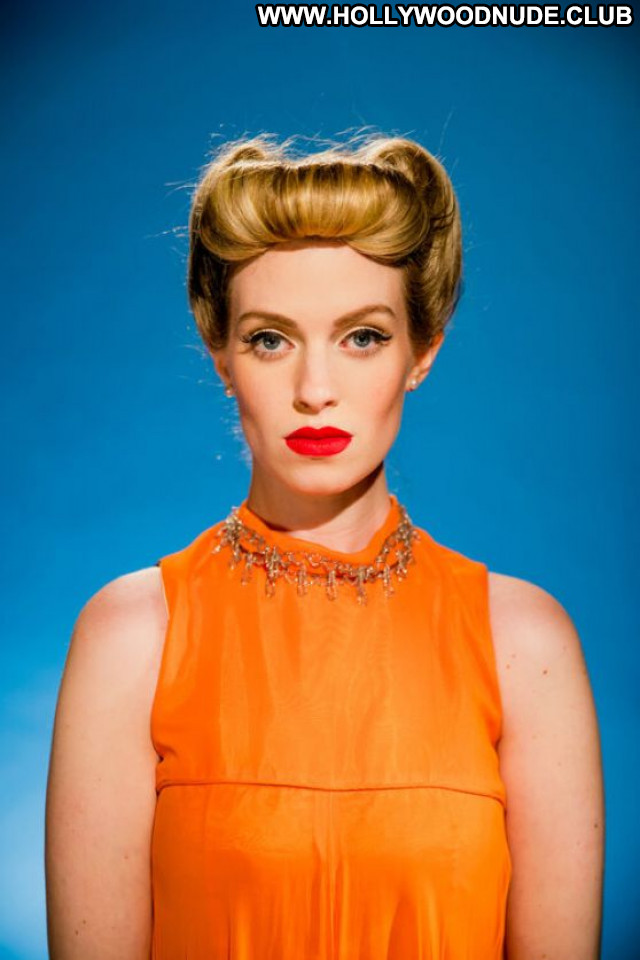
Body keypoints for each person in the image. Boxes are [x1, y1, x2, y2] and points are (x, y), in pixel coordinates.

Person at [45, 130, 605, 959]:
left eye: (363, 337)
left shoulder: (525, 644)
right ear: (220, 354)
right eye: (270, 339)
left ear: (422, 351)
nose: (315, 390)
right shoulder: (132, 638)